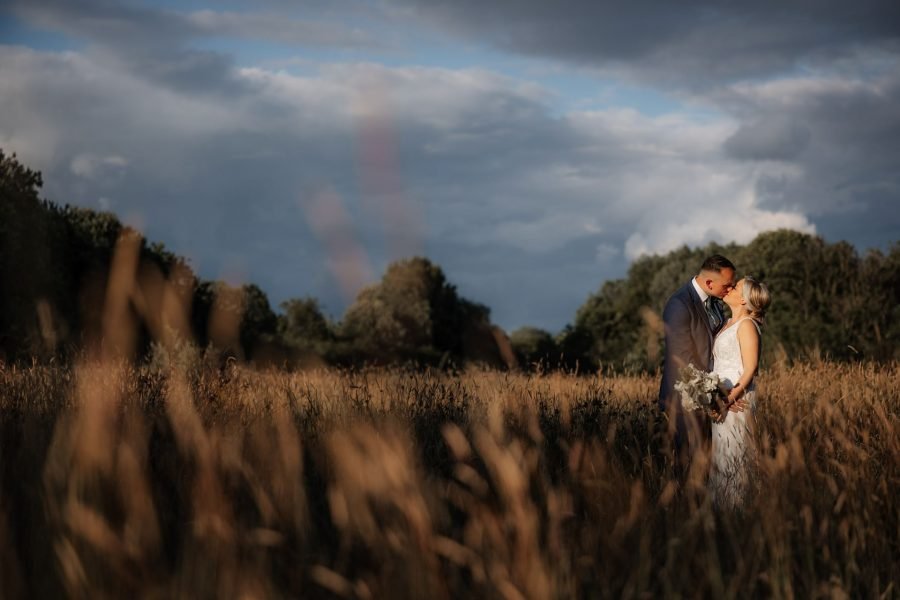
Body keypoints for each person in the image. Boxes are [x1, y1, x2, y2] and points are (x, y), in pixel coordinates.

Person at [658, 254, 736, 466]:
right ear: (709, 282)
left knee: (707, 465)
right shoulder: (679, 305)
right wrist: (716, 397)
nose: (731, 290)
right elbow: (682, 362)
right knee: (688, 467)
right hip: (686, 400)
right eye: (727, 285)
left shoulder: (716, 302)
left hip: (710, 396)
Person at [708, 276, 771, 509]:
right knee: (722, 453)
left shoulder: (746, 325)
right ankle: (721, 507)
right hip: (722, 397)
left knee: (736, 452)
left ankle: (738, 509)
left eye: (735, 286)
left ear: (744, 300)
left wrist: (728, 399)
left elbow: (751, 368)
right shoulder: (727, 322)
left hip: (737, 398)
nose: (730, 287)